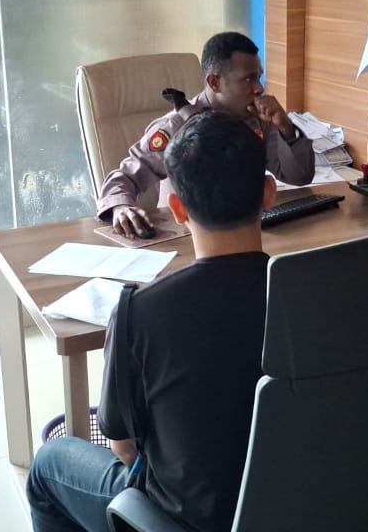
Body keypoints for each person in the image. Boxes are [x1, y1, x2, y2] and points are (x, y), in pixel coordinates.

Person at [28, 111, 276, 532]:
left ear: (177, 209)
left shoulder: (141, 311)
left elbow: (123, 447)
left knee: (49, 464)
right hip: (293, 506)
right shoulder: (311, 292)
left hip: (184, 520)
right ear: (269, 193)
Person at [97, 31, 313, 237]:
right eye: (248, 79)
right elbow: (124, 177)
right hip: (188, 237)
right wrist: (120, 207)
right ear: (214, 82)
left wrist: (286, 127)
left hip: (246, 230)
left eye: (259, 77)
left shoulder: (256, 119)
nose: (259, 88)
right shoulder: (178, 127)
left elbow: (299, 177)